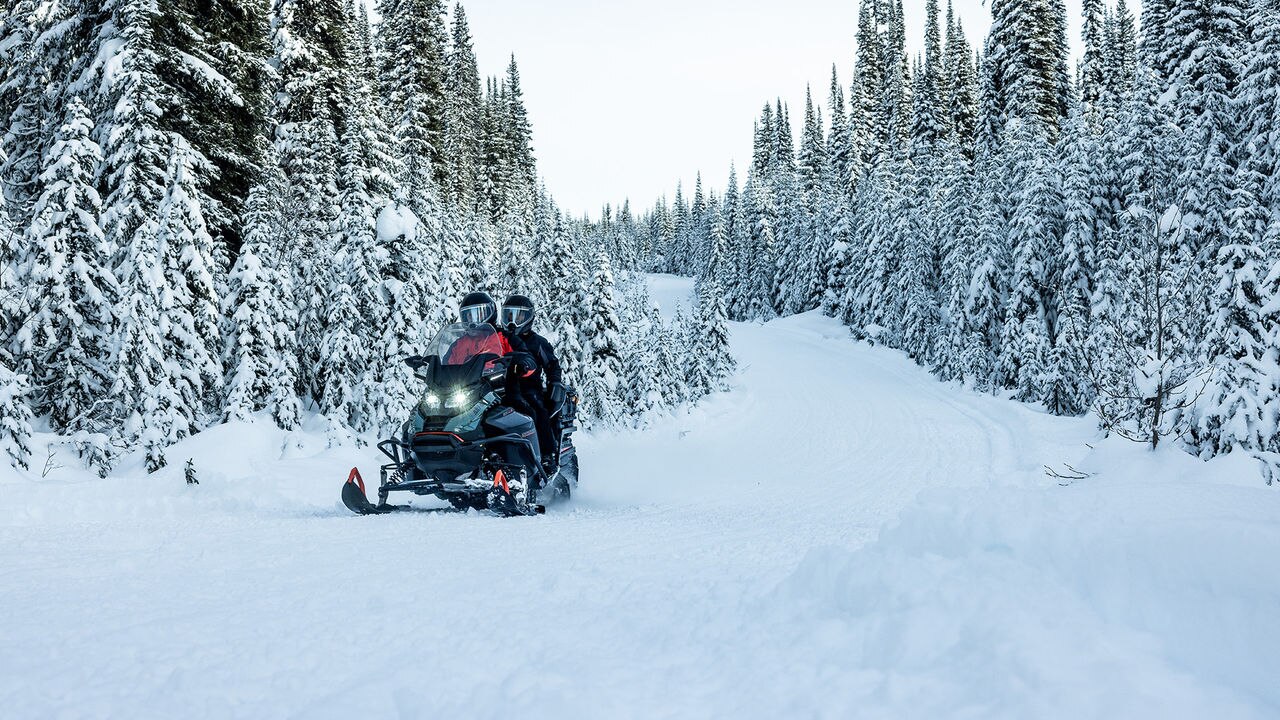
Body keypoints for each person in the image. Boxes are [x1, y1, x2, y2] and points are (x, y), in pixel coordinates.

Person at [498, 294, 565, 474]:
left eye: (518, 316)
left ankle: (547, 455)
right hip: (500, 387)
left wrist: (555, 383)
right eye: (508, 315)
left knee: (537, 411)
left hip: (529, 387)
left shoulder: (538, 342)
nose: (513, 321)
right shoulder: (499, 338)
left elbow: (552, 365)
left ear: (528, 318)